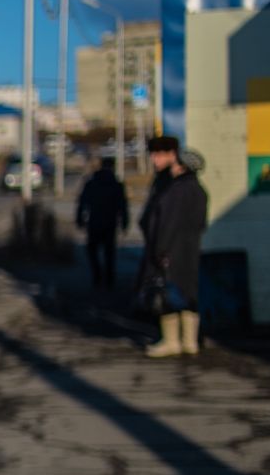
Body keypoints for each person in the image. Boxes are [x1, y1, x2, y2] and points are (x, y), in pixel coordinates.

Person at [142, 138, 209, 358]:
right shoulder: (198, 190)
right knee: (188, 293)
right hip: (189, 249)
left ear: (182, 166)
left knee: (167, 293)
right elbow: (201, 223)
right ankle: (189, 342)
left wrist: (161, 250)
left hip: (170, 251)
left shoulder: (176, 190)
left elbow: (167, 223)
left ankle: (172, 342)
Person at [75, 156, 130, 290]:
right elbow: (122, 206)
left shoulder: (92, 182)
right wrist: (124, 223)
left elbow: (82, 203)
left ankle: (97, 275)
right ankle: (108, 279)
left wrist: (80, 219)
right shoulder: (116, 185)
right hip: (110, 223)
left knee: (92, 250)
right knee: (109, 253)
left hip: (94, 222)